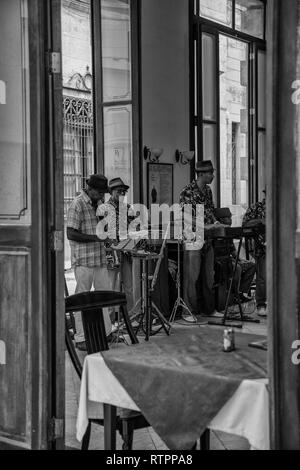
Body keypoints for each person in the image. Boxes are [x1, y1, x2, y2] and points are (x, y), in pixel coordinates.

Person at [67, 174, 116, 350]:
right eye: (100, 193)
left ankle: (106, 333)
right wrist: (96, 237)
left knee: (104, 297)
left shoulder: (99, 205)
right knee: (82, 299)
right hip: (83, 261)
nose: (102, 196)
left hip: (99, 259)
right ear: (91, 189)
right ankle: (81, 338)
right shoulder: (77, 204)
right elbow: (71, 233)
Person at [179, 160, 222, 320]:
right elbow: (186, 216)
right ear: (202, 174)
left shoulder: (208, 191)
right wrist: (206, 226)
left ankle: (209, 309)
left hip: (208, 239)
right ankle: (188, 311)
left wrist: (216, 222)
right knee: (192, 277)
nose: (213, 176)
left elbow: (209, 210)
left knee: (208, 277)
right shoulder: (187, 191)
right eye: (210, 173)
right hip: (193, 238)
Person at [101, 177, 135, 313]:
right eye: (118, 191)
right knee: (111, 287)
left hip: (126, 251)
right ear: (111, 192)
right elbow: (101, 233)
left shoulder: (127, 208)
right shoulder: (103, 208)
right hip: (111, 252)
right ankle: (110, 320)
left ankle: (130, 318)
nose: (121, 194)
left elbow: (134, 229)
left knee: (129, 287)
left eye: (123, 192)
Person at [215, 208, 256, 307]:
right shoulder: (216, 231)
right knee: (237, 268)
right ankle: (234, 294)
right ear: (221, 220)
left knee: (251, 265)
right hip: (219, 261)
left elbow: (233, 252)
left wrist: (241, 260)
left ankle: (241, 293)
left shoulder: (229, 231)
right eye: (228, 218)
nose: (231, 220)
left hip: (229, 259)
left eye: (231, 217)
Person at [242, 190, 267, 317]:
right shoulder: (256, 207)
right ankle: (261, 304)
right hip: (261, 247)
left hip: (280, 246)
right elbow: (245, 224)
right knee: (263, 277)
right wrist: (260, 221)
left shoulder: (280, 207)